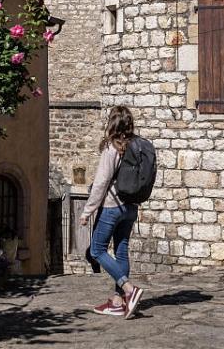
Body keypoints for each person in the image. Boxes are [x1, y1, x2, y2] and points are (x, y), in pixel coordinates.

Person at [80, 106, 144, 319]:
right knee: (121, 251)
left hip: (112, 207)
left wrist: (87, 211)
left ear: (112, 123)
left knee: (97, 250)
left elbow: (101, 183)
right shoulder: (136, 145)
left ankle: (128, 289)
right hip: (131, 207)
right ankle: (118, 302)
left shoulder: (112, 148)